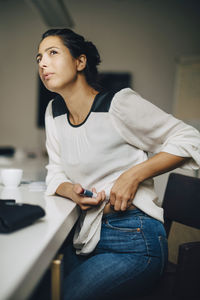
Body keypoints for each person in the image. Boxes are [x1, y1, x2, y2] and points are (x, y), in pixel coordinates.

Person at [36, 28, 200, 300]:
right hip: (85, 237)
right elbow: (55, 172)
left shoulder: (118, 104)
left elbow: (191, 138)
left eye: (53, 53)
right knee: (39, 287)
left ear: (80, 62)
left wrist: (134, 175)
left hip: (135, 240)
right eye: (39, 57)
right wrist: (71, 190)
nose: (42, 63)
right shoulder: (54, 112)